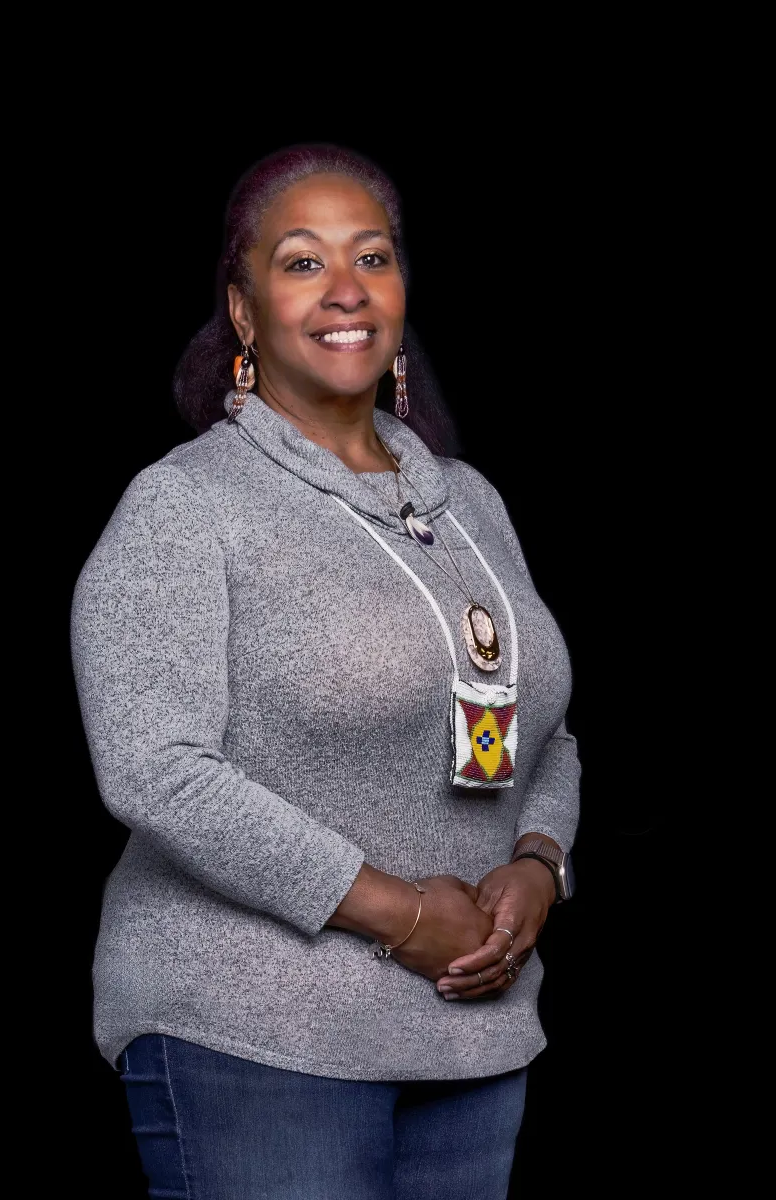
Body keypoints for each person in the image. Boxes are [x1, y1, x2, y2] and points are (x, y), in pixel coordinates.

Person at [71, 143, 580, 1200]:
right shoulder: (188, 508)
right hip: (259, 1037)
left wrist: (540, 866)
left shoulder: (471, 505)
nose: (346, 289)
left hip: (470, 1040)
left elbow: (549, 731)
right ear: (244, 312)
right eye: (302, 262)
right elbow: (154, 768)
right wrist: (397, 911)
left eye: (374, 256)